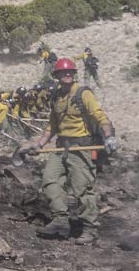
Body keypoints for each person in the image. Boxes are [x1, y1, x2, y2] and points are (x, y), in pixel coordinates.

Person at [22, 58, 116, 245]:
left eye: (70, 72)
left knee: (82, 188)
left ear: (74, 74)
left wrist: (109, 137)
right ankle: (60, 220)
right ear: (56, 75)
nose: (67, 75)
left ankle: (89, 229)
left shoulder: (83, 93)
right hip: (61, 145)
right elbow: (52, 125)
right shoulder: (56, 95)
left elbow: (100, 116)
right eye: (63, 72)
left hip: (81, 146)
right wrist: (40, 144)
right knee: (50, 179)